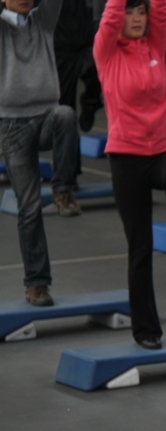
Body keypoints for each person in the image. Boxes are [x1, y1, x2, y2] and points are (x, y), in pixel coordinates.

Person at [93, 0, 166, 350]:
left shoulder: (155, 44)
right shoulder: (106, 52)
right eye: (130, 13)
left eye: (141, 13)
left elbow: (162, 10)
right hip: (127, 158)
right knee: (138, 247)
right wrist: (117, 8)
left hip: (162, 150)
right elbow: (111, 16)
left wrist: (153, 8)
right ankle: (146, 330)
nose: (137, 19)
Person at [1, 0, 81, 307]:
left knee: (65, 115)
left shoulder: (43, 21)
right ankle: (37, 284)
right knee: (29, 209)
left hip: (47, 115)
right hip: (12, 125)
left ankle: (63, 189)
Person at [54, 0, 103, 133]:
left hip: (85, 41)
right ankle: (69, 142)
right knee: (65, 108)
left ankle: (90, 104)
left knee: (96, 76)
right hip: (60, 47)